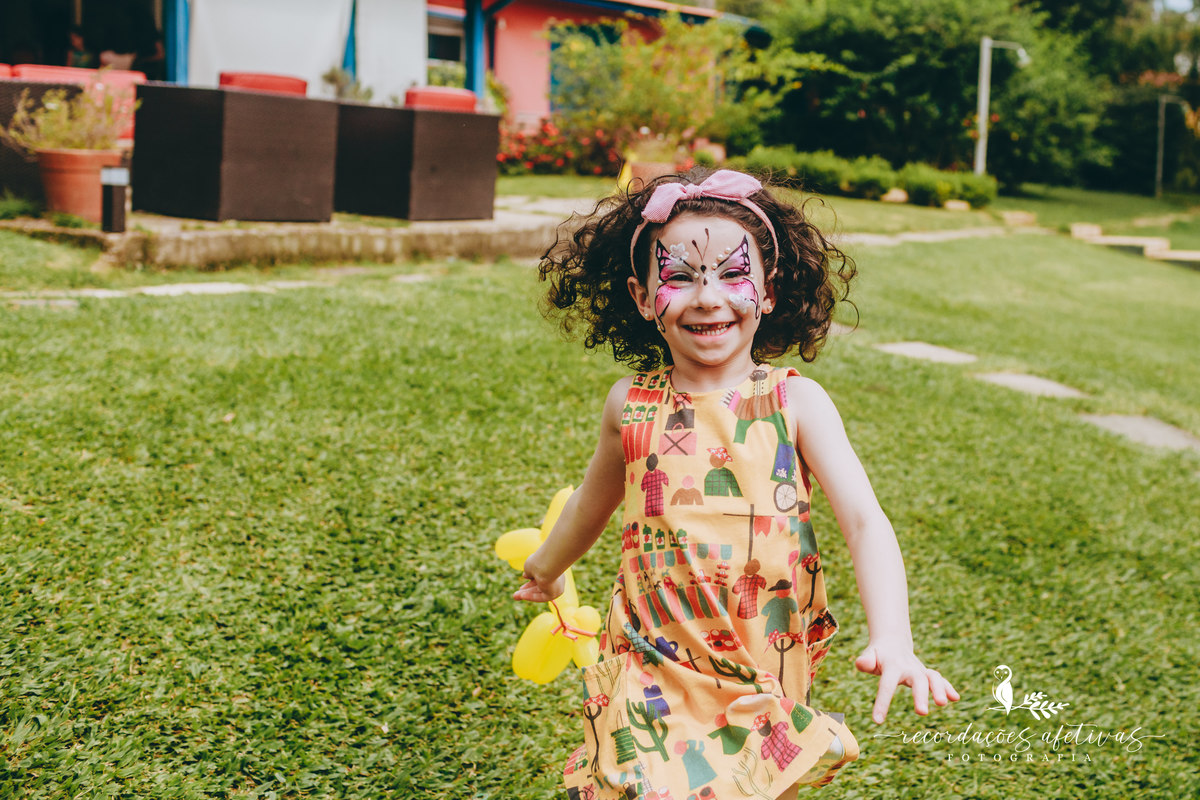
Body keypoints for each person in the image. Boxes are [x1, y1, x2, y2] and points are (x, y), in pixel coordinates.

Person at [515, 169, 960, 800]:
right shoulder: (630, 403)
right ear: (643, 297)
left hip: (761, 663)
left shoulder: (795, 402)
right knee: (633, 782)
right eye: (679, 276)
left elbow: (864, 520)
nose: (707, 296)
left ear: (770, 291)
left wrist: (894, 635)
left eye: (732, 274)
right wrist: (548, 566)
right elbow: (595, 499)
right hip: (649, 649)